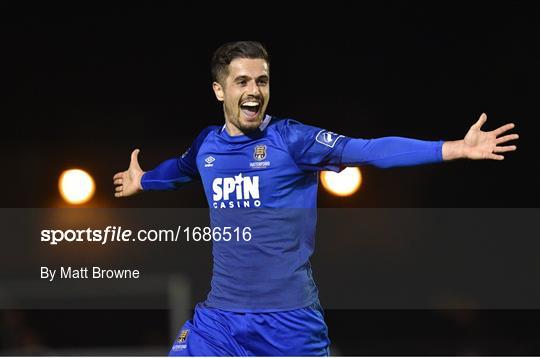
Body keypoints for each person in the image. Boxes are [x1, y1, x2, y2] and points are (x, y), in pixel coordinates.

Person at [113, 41, 518, 356]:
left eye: (262, 80)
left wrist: (451, 148)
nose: (254, 90)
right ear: (220, 90)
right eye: (242, 81)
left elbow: (369, 149)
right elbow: (180, 170)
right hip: (221, 318)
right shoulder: (207, 144)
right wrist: (144, 180)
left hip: (288, 324)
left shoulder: (292, 140)